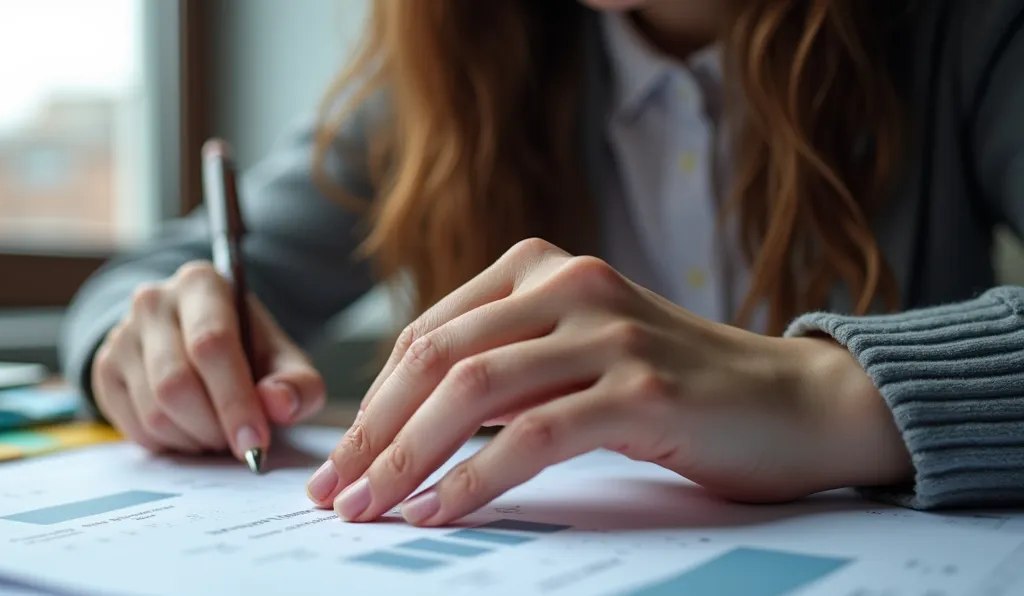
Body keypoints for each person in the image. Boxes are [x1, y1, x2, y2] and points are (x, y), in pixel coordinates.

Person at [61, 0, 1024, 528]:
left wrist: (826, 396)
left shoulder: (965, 33)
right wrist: (141, 340)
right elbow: (166, 268)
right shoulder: (458, 61)